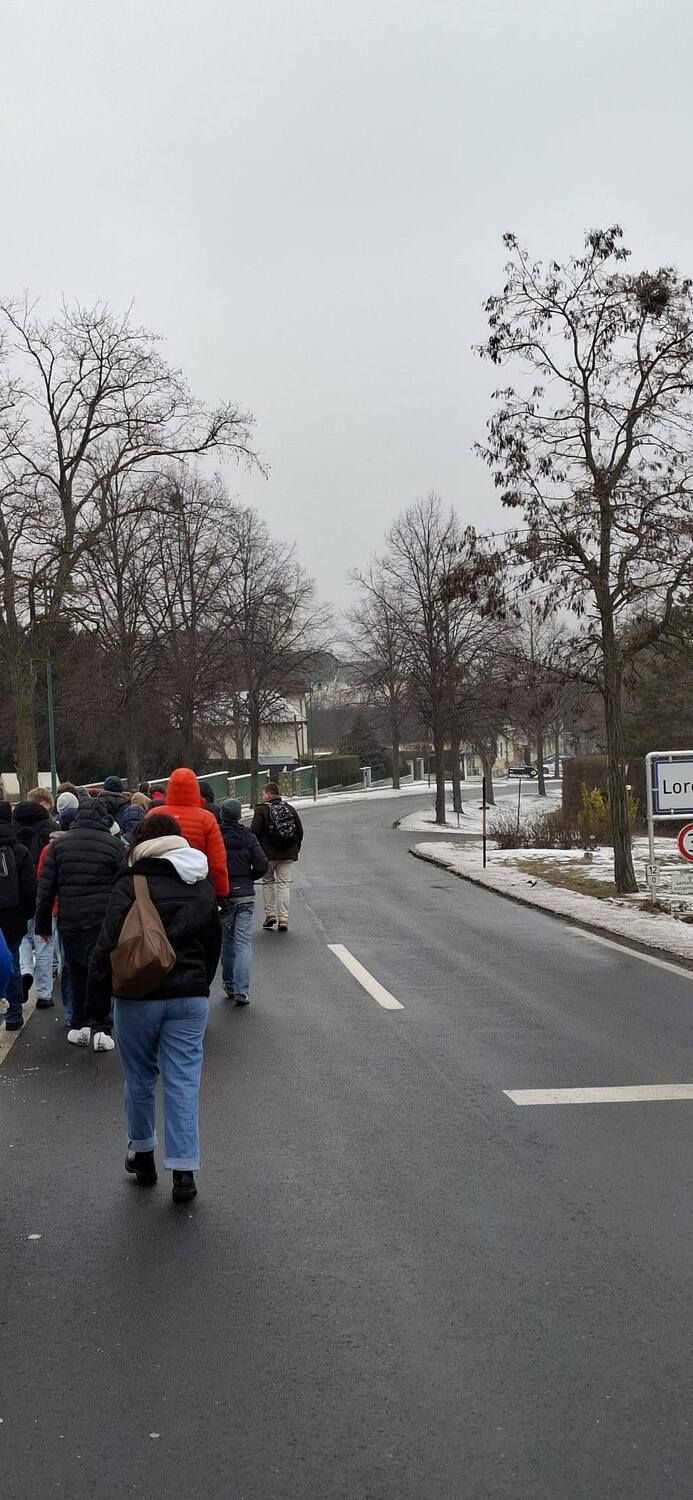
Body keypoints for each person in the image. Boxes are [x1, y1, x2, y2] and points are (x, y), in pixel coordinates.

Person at [87, 812, 221, 1204]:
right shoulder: (199, 881)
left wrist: (96, 1010)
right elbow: (214, 941)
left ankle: (143, 1154)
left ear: (140, 843)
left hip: (137, 997)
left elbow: (107, 944)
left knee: (139, 1077)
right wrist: (200, 984)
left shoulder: (129, 883)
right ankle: (184, 1172)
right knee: (183, 1081)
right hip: (190, 996)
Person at [35, 798, 125, 1049]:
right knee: (102, 971)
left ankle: (79, 1024)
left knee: (76, 971)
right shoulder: (113, 845)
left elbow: (46, 889)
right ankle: (101, 1028)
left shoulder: (59, 846)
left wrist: (42, 926)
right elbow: (124, 886)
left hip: (71, 919)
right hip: (103, 920)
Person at [218, 799, 268, 1003]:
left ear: (222, 814)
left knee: (227, 942)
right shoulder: (248, 836)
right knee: (243, 943)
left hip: (224, 895)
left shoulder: (216, 835)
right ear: (239, 815)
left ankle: (229, 984)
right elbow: (262, 863)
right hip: (245, 895)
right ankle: (242, 990)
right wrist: (250, 878)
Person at [14, 790, 59, 1006]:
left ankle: (25, 969)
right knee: (44, 940)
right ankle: (44, 994)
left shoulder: (12, 827)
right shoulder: (51, 827)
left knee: (23, 938)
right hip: (44, 890)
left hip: (17, 893)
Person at [36, 800, 79, 1026]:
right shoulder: (82, 846)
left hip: (54, 908)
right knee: (74, 959)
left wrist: (41, 918)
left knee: (54, 954)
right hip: (76, 909)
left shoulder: (49, 849)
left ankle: (55, 1000)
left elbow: (42, 881)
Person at [162, 768, 229, 898]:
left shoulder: (154, 814)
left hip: (160, 885)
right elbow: (217, 864)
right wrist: (221, 891)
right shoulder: (206, 818)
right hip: (196, 886)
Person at [0, 802, 37, 1033]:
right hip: (12, 917)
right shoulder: (20, 849)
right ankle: (13, 1014)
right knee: (11, 962)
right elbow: (30, 888)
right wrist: (27, 914)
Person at [251, 781, 303, 933]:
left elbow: (254, 833)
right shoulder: (289, 808)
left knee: (268, 882)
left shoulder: (261, 809)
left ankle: (270, 914)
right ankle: (284, 919)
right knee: (283, 885)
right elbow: (300, 831)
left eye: (263, 793)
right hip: (287, 853)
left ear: (268, 794)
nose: (262, 796)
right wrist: (294, 849)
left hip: (267, 855)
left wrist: (255, 854)